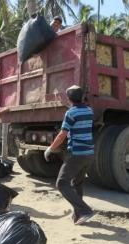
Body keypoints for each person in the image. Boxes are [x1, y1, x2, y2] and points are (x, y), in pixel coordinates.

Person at [44, 85, 94, 225]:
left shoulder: (71, 113)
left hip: (77, 153)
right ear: (82, 97)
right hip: (89, 153)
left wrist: (50, 149)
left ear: (69, 98)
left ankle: (85, 210)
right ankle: (79, 215)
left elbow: (62, 134)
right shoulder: (89, 110)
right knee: (77, 183)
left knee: (61, 183)